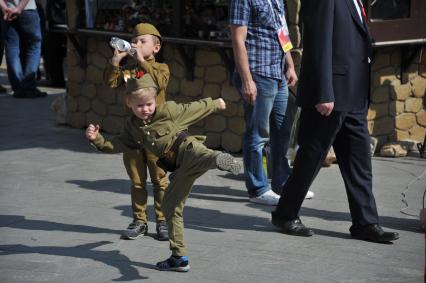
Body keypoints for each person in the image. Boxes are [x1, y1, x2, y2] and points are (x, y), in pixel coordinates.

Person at [271, 0, 399, 243]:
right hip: (330, 95)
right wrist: (323, 92)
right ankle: (285, 214)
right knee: (311, 157)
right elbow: (318, 43)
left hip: (353, 95)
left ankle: (366, 223)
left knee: (359, 161)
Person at [86, 73, 242, 272]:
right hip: (179, 170)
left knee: (201, 154)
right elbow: (117, 144)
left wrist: (216, 103)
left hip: (187, 150)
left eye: (149, 104)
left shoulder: (168, 110)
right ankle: (179, 257)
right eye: (140, 106)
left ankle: (218, 159)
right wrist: (96, 139)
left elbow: (193, 108)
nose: (146, 109)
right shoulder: (133, 128)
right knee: (170, 207)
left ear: (155, 100)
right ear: (129, 103)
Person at [229, 0, 313, 206]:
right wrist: (247, 80)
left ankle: (282, 182)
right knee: (258, 134)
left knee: (282, 131)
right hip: (258, 73)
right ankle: (258, 188)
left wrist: (290, 65)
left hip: (278, 74)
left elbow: (282, 33)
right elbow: (238, 39)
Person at [103, 23, 170, 241]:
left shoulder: (162, 68)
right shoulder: (129, 71)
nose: (137, 44)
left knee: (160, 180)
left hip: (156, 133)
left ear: (156, 47)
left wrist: (141, 59)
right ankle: (140, 220)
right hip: (133, 134)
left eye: (143, 41)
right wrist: (116, 60)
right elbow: (111, 82)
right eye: (135, 41)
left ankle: (162, 220)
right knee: (137, 181)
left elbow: (160, 83)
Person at [0, 0, 47, 98]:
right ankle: (28, 86)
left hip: (7, 11)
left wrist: (4, 8)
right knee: (34, 47)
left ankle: (18, 87)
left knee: (12, 47)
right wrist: (19, 8)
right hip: (27, 10)